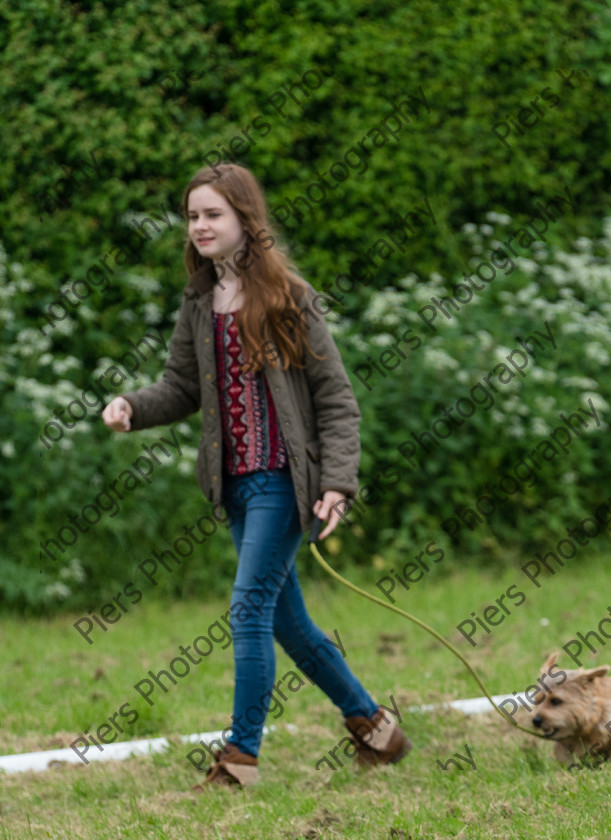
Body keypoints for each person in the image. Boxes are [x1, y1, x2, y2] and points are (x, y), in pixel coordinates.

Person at [102, 163, 411, 788]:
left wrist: (338, 483)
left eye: (213, 214)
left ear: (247, 219)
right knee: (285, 622)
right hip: (235, 489)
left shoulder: (290, 297)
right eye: (192, 216)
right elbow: (182, 387)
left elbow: (337, 399)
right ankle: (377, 730)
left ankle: (240, 759)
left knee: (247, 611)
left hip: (283, 483)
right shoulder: (197, 300)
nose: (200, 226)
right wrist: (133, 407)